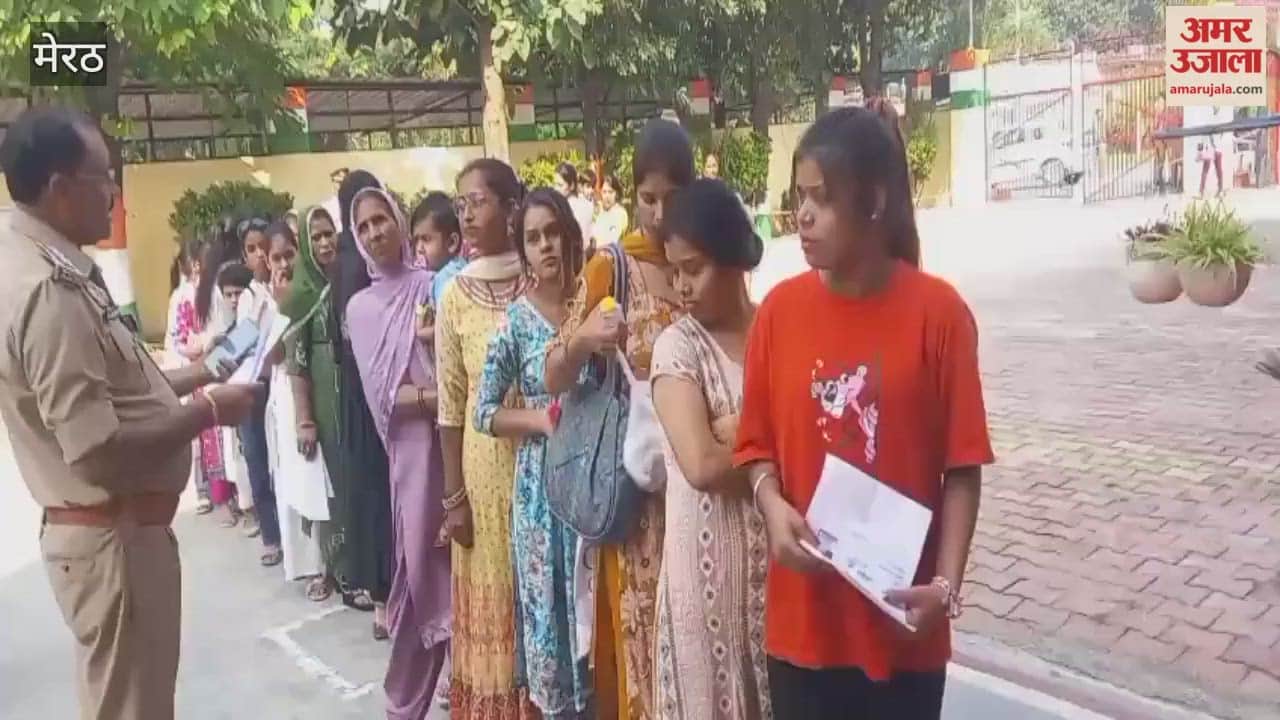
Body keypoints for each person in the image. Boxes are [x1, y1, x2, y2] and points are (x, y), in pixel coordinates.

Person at [732, 102, 993, 719]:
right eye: (798, 196)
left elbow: (962, 467)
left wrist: (945, 587)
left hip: (903, 627)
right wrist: (772, 507)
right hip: (804, 628)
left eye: (821, 199)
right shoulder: (778, 314)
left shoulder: (941, 315)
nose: (802, 216)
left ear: (873, 202)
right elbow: (755, 446)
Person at [0, 105, 257, 720]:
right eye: (104, 178)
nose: (114, 194)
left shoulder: (41, 262)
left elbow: (114, 392)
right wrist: (208, 412)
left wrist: (199, 372)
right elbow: (97, 450)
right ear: (60, 190)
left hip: (115, 538)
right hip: (113, 541)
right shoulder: (47, 291)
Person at [544, 118, 694, 720]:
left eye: (671, 198)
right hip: (635, 494)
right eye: (647, 198)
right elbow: (552, 373)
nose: (657, 214)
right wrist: (583, 338)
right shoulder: (613, 267)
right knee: (638, 639)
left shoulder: (705, 260)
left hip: (698, 484)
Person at [650, 179, 771, 720]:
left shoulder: (779, 328)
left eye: (693, 267)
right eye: (673, 269)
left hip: (778, 583)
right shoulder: (677, 347)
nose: (681, 286)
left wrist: (738, 431)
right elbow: (700, 464)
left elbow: (819, 436)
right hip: (705, 592)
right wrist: (770, 442)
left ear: (733, 258)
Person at [474, 189, 591, 719]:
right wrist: (539, 420)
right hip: (542, 489)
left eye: (552, 233)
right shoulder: (517, 323)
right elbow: (484, 411)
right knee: (552, 610)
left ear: (570, 236)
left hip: (597, 479)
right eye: (533, 238)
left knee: (594, 605)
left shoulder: (594, 301)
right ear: (523, 250)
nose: (546, 246)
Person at [436, 158, 538, 718]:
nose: (467, 214)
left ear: (510, 208)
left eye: (477, 201)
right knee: (494, 591)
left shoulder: (542, 279)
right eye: (461, 204)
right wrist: (454, 499)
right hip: (482, 472)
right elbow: (451, 408)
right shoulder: (454, 294)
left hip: (542, 464)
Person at [346, 186, 452, 720]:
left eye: (380, 219)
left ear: (399, 220)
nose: (374, 233)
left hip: (459, 451)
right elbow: (387, 399)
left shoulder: (435, 285)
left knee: (470, 572)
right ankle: (404, 703)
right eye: (362, 227)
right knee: (419, 579)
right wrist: (447, 398)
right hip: (413, 462)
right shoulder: (360, 310)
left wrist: (442, 401)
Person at [331, 169, 395, 629]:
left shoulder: (340, 262)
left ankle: (379, 603)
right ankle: (388, 598)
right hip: (384, 402)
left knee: (369, 495)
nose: (373, 232)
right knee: (385, 499)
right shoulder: (365, 268)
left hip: (355, 398)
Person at [282, 206, 350, 602]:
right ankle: (329, 567)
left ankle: (354, 565)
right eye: (317, 237)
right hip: (322, 397)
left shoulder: (346, 280)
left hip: (351, 395)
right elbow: (296, 364)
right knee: (327, 484)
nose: (326, 242)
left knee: (351, 477)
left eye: (329, 234)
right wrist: (305, 419)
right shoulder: (300, 295)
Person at [262, 221, 331, 589]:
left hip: (305, 397)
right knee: (293, 483)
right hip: (281, 394)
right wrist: (277, 308)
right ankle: (304, 564)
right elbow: (271, 357)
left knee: (314, 481)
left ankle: (324, 568)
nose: (284, 264)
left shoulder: (312, 291)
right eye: (277, 258)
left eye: (290, 254)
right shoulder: (268, 300)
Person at [236, 215, 284, 566]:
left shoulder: (287, 285)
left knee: (284, 461)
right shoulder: (247, 298)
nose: (259, 256)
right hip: (254, 385)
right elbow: (242, 341)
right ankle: (271, 535)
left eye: (263, 248)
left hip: (283, 382)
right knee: (257, 455)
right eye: (251, 250)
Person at [411, 190, 468, 310]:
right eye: (416, 241)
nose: (419, 249)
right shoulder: (463, 268)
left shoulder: (445, 279)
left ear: (452, 243)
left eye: (426, 239)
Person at [554, 162, 595, 253]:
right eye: (555, 184)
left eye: (560, 185)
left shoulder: (576, 208)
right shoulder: (563, 206)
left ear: (572, 185)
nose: (556, 189)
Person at [591, 175, 628, 249]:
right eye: (604, 192)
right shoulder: (600, 213)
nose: (607, 196)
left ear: (616, 194)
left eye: (610, 192)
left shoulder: (620, 214)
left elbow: (611, 241)